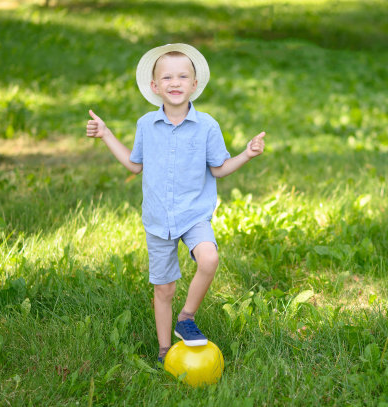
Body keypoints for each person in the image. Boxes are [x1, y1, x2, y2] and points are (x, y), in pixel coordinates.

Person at [85, 43, 265, 364]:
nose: (175, 82)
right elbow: (134, 165)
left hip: (193, 214)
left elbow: (219, 169)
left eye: (183, 76)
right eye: (167, 77)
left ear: (194, 84)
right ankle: (165, 351)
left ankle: (187, 317)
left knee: (208, 258)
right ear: (155, 87)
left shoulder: (207, 125)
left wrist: (247, 154)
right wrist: (106, 133)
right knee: (163, 290)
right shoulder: (146, 125)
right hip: (158, 219)